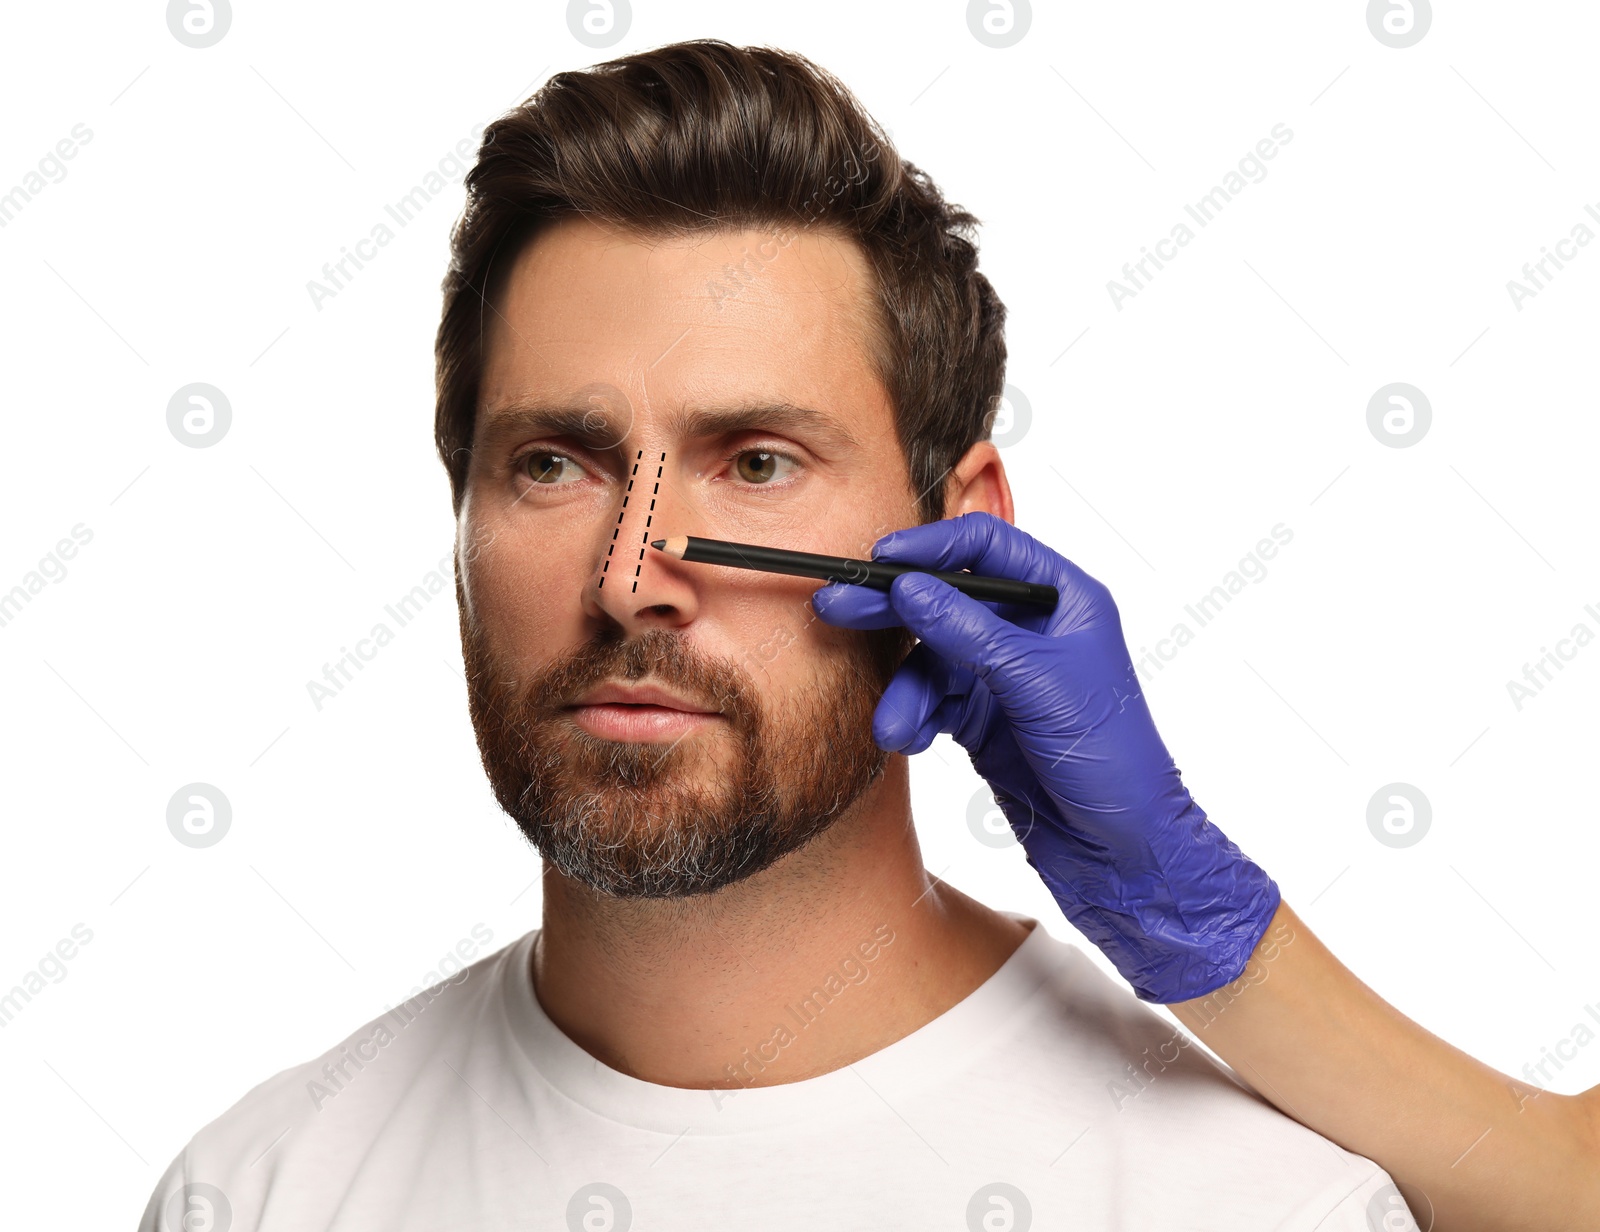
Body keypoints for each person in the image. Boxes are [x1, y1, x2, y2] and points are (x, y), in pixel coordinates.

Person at [139, 39, 1597, 1232]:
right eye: (554, 464)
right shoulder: (259, 1193)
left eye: (757, 461)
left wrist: (1215, 935)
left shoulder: (1255, 1208)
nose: (633, 582)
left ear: (962, 533)